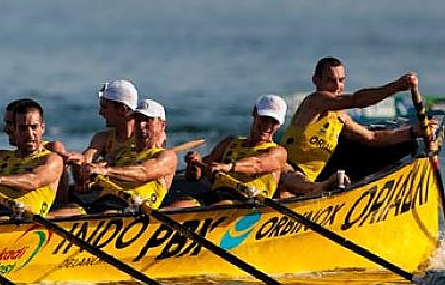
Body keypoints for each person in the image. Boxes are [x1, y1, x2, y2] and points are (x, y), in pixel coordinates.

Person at [280, 58, 429, 195]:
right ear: (316, 80)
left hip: (315, 177)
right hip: (290, 173)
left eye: (341, 80)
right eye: (331, 80)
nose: (337, 86)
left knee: (389, 142)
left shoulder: (340, 117)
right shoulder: (314, 102)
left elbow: (372, 138)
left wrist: (413, 132)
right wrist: (396, 86)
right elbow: (356, 100)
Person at [173, 95, 289, 207]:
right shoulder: (229, 143)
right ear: (255, 113)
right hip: (216, 196)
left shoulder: (278, 152)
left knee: (219, 206)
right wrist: (194, 164)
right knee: (175, 207)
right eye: (265, 118)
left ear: (280, 124)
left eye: (274, 122)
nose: (268, 125)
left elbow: (256, 165)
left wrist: (228, 167)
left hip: (249, 202)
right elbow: (193, 177)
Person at [75, 99, 176, 213]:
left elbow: (144, 172)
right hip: (104, 201)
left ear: (162, 125)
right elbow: (100, 167)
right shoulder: (121, 152)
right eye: (137, 120)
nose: (141, 125)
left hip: (133, 207)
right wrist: (86, 172)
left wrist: (106, 171)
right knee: (71, 210)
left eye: (148, 120)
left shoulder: (166, 156)